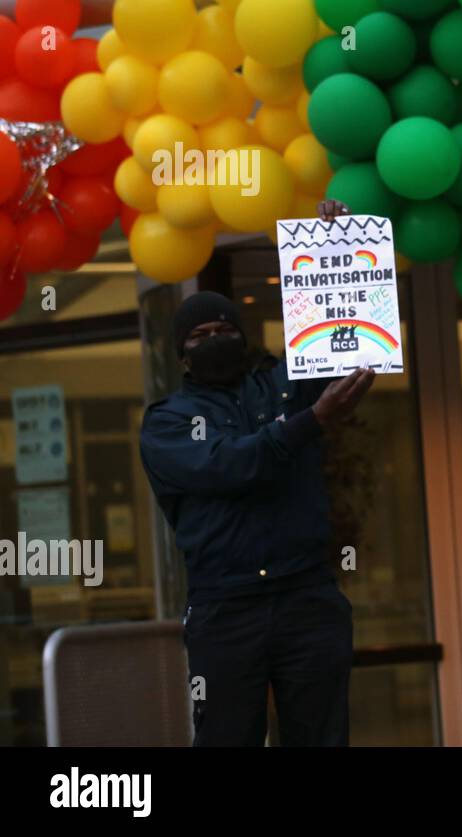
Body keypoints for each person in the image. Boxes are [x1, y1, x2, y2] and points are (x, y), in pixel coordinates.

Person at [139, 199, 373, 746]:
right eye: (201, 336)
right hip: (225, 610)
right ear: (182, 355)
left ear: (243, 337)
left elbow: (335, 329)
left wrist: (331, 246)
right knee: (226, 737)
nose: (216, 338)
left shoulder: (282, 386)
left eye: (226, 328)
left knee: (321, 736)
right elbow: (230, 465)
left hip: (308, 597)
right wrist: (309, 423)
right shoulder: (168, 422)